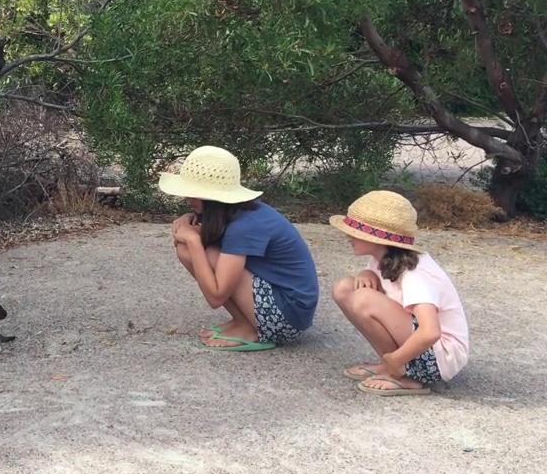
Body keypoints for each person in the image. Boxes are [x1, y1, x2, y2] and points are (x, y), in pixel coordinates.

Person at [159, 145, 320, 351]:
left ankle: (254, 330)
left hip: (288, 317)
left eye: (193, 194)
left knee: (193, 250)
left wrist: (193, 240)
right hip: (281, 304)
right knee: (187, 249)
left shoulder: (245, 226)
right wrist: (190, 222)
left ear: (212, 198)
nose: (187, 200)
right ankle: (244, 322)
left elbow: (215, 297)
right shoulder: (235, 212)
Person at [329, 190, 470, 396]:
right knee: (344, 288)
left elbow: (430, 331)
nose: (348, 236)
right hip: (422, 347)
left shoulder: (414, 274)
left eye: (356, 233)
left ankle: (406, 374)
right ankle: (393, 367)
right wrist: (366, 272)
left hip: (440, 357)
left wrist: (396, 359)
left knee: (363, 299)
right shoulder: (384, 257)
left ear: (377, 239)